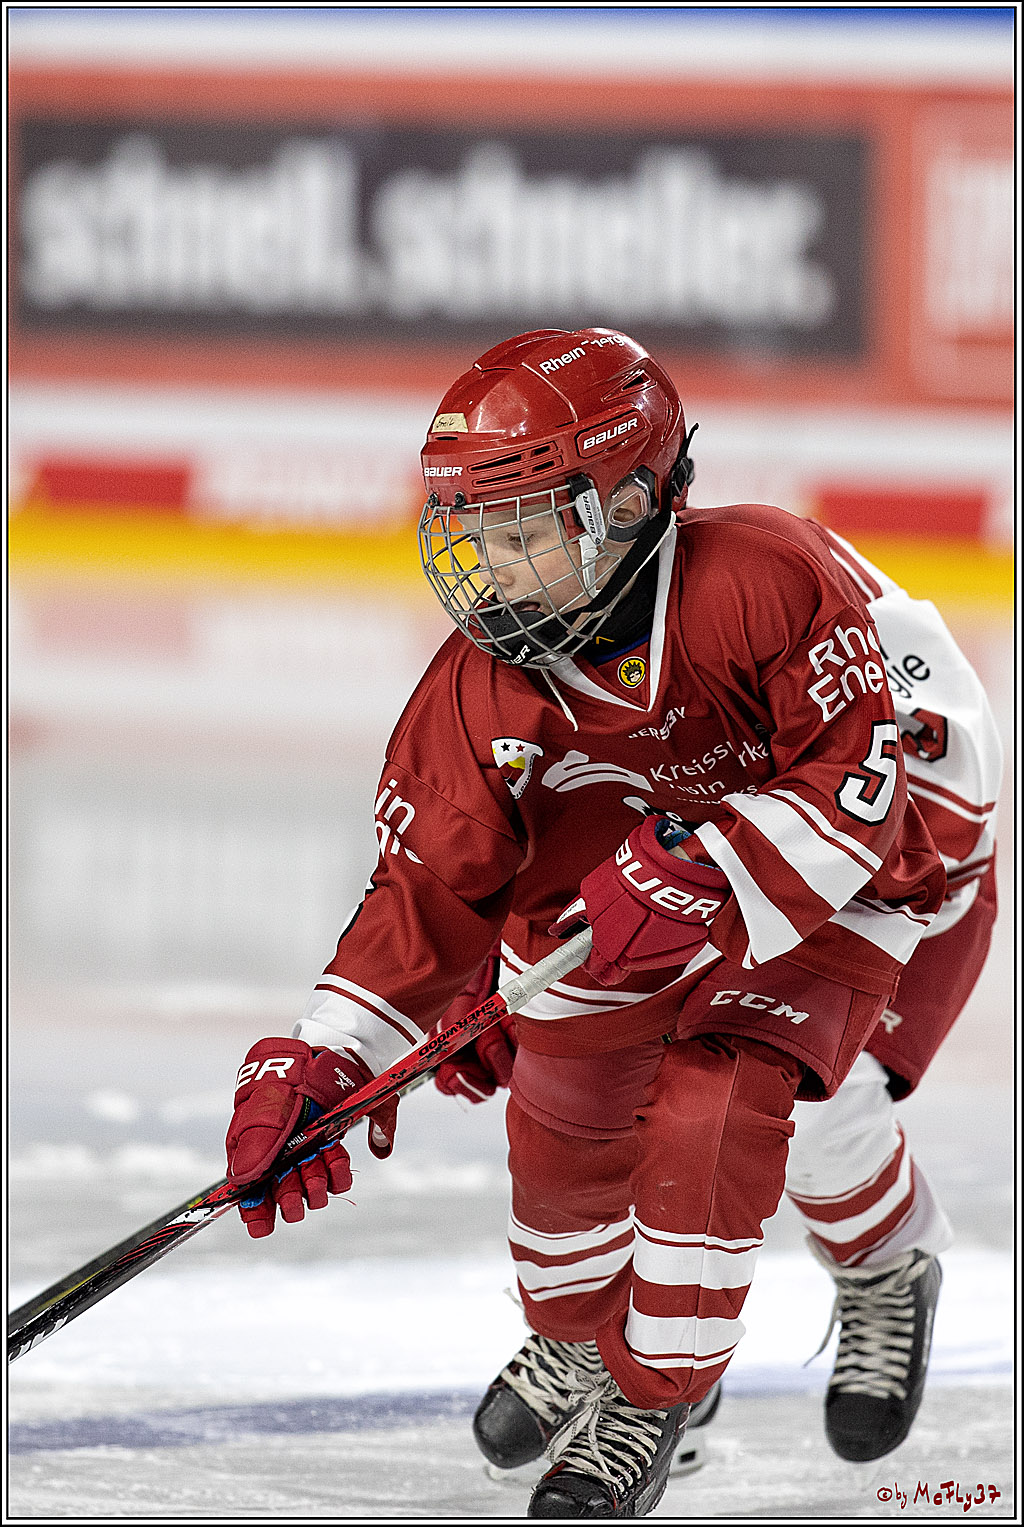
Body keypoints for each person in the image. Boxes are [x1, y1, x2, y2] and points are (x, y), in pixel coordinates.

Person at [225, 327, 956, 1518]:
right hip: (641, 873)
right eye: (473, 531)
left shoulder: (765, 581)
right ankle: (582, 1336)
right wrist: (328, 1058)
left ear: (625, 503)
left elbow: (867, 795)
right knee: (561, 1104)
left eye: (521, 530)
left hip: (886, 848)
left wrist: (711, 866)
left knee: (752, 1100)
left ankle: (710, 1361)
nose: (490, 567)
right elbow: (426, 890)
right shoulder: (478, 687)